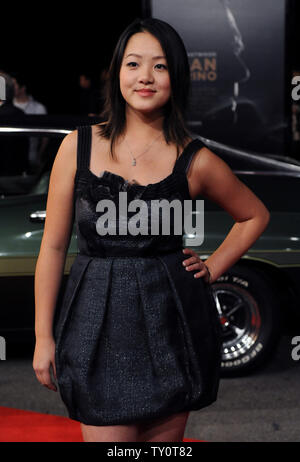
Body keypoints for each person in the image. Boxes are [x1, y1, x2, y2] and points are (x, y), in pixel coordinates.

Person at [33, 18, 270, 442]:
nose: (145, 77)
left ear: (176, 77)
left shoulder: (194, 159)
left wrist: (213, 268)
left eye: (159, 67)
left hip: (173, 324)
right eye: (133, 64)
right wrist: (42, 336)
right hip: (96, 326)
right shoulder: (77, 146)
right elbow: (52, 248)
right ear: (117, 73)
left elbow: (254, 215)